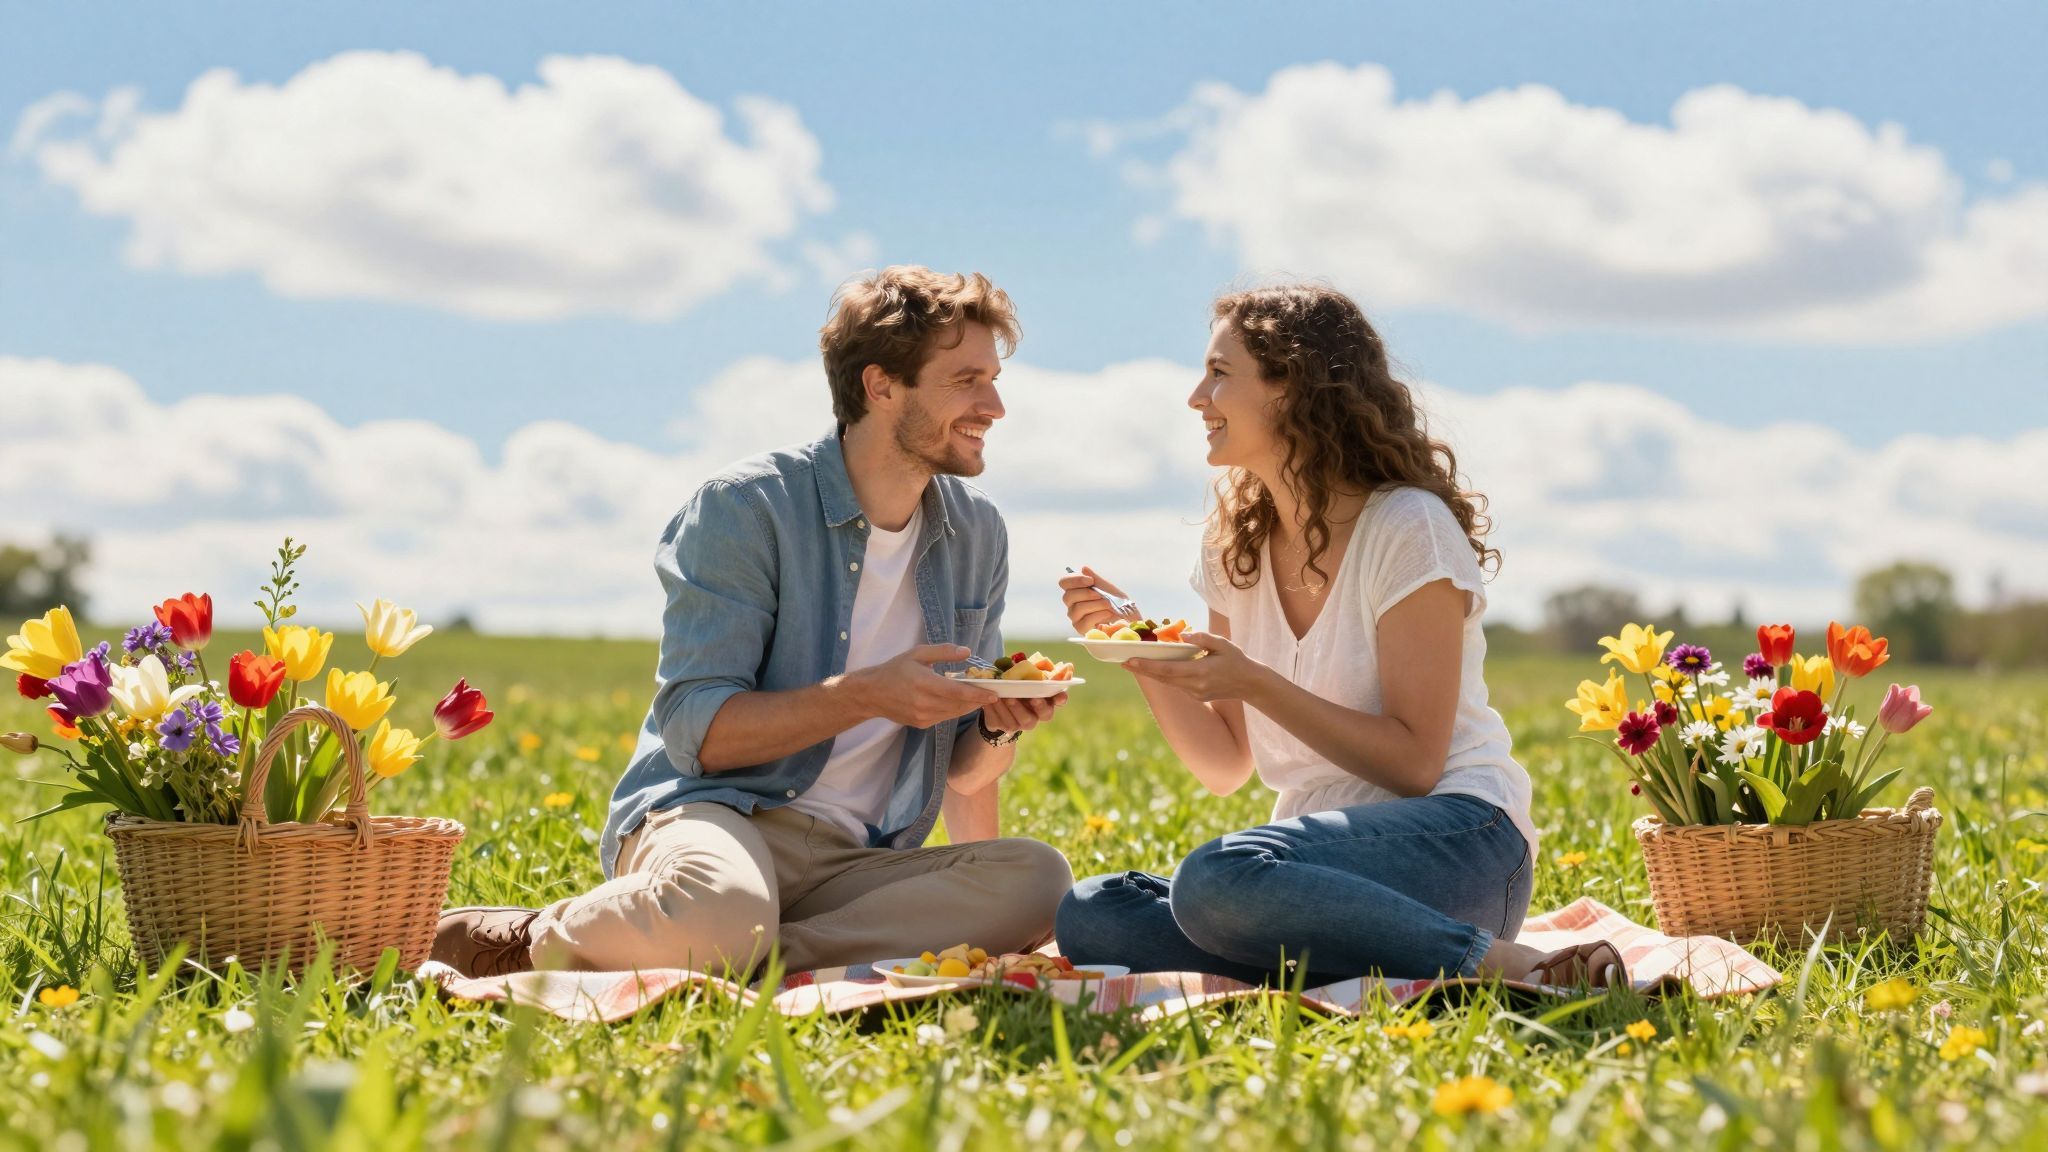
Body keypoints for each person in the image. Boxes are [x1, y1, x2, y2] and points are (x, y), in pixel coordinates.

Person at [433, 266, 1073, 979]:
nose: (995, 406)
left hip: (859, 861)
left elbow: (962, 766)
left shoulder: (977, 533)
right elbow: (697, 733)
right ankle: (530, 939)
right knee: (720, 907)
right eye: (966, 380)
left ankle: (745, 953)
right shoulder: (745, 508)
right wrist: (864, 695)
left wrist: (995, 723)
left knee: (1041, 879)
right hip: (715, 817)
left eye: (994, 379)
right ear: (882, 385)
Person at [1055, 284, 1624, 989]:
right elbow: (1223, 764)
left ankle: (1501, 964)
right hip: (1302, 875)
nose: (1198, 397)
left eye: (1220, 373)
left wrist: (1258, 683)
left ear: (1292, 387)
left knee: (1214, 879)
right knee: (1093, 911)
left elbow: (1415, 765)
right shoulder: (1233, 546)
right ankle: (1347, 958)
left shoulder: (1406, 527)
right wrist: (1139, 653)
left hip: (1459, 844)